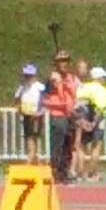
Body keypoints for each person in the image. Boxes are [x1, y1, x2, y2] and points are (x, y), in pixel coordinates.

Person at [45, 50, 79, 182]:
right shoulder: (53, 77)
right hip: (58, 115)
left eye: (65, 61)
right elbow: (47, 90)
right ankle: (55, 171)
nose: (64, 64)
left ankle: (64, 171)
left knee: (68, 145)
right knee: (57, 145)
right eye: (60, 61)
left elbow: (74, 93)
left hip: (70, 115)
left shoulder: (71, 78)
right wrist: (54, 81)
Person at [74, 66, 106, 183]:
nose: (104, 80)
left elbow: (76, 104)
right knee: (96, 146)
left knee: (81, 146)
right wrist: (94, 122)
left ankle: (80, 173)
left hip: (82, 118)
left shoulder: (83, 87)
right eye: (103, 77)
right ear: (99, 78)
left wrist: (81, 120)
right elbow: (100, 108)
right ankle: (92, 174)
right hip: (97, 120)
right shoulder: (103, 91)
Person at [13, 64, 45, 164]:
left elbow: (46, 101)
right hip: (26, 115)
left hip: (36, 115)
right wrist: (19, 108)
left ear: (34, 76)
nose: (28, 78)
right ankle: (35, 158)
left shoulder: (40, 87)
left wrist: (41, 112)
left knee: (32, 137)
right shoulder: (22, 87)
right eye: (26, 76)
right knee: (28, 137)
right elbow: (16, 98)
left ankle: (30, 158)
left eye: (30, 76)